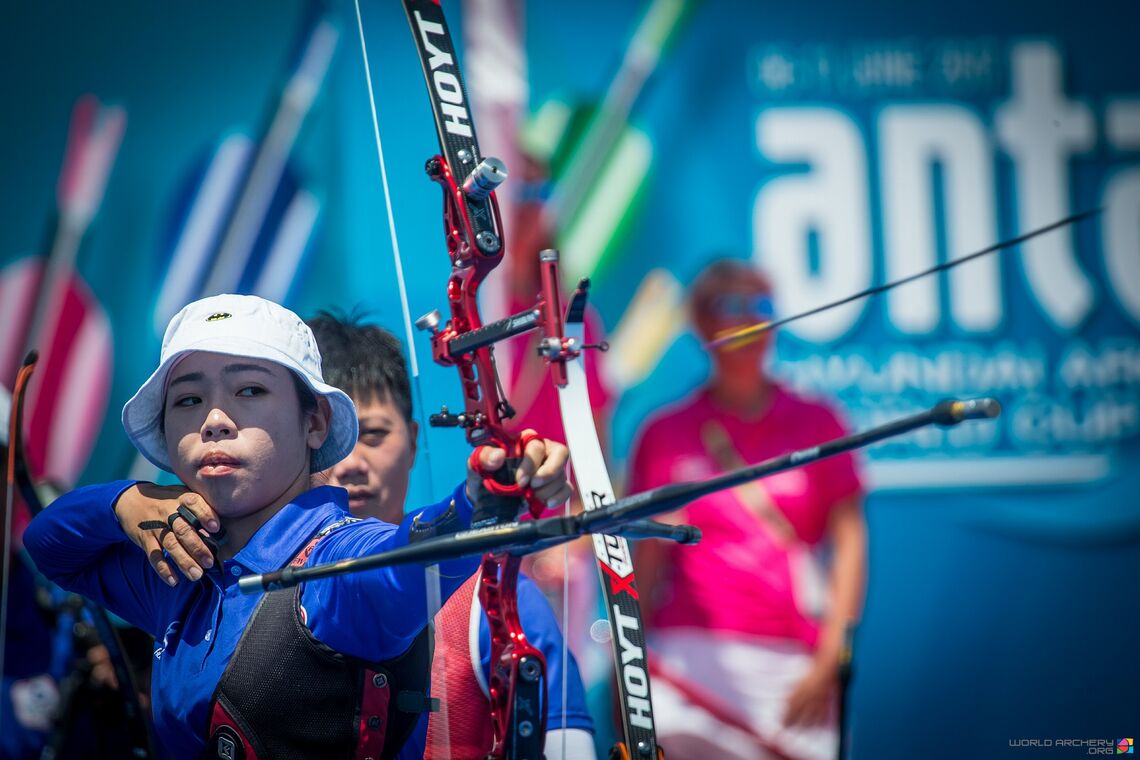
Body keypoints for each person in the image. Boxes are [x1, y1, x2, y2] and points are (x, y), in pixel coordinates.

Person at [22, 294, 571, 760]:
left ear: (315, 422)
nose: (214, 420)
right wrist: (127, 501)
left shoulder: (337, 564)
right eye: (188, 399)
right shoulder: (179, 567)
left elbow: (411, 556)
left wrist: (484, 499)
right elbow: (47, 544)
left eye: (249, 391)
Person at [307, 311, 596, 758]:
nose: (352, 464)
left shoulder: (492, 595)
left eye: (374, 434)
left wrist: (519, 475)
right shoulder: (233, 579)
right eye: (332, 437)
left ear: (413, 442)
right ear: (296, 441)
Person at [627, 259, 867, 760]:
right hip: (687, 658)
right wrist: (627, 667)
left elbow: (849, 548)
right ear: (701, 324)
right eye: (731, 306)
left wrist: (831, 658)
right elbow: (645, 561)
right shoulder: (664, 433)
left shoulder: (820, 421)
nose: (749, 321)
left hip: (793, 663)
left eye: (760, 306)